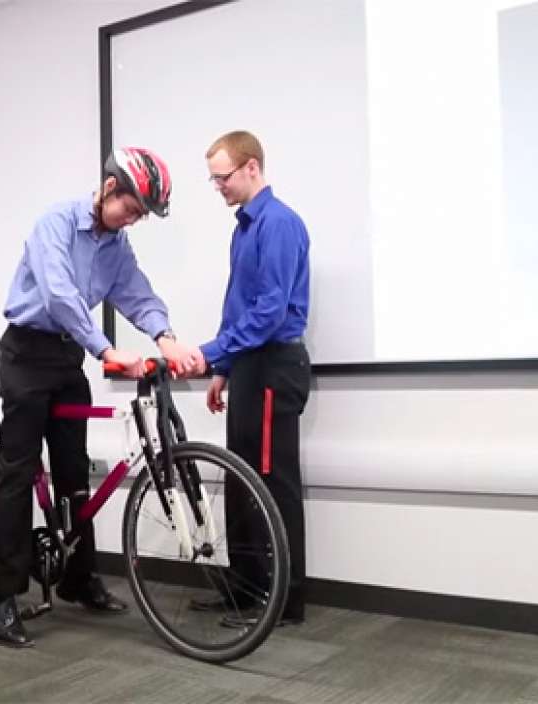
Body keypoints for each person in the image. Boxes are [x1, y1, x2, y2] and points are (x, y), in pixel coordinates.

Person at [0, 147, 197, 648]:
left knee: (75, 471)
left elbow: (136, 292)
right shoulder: (54, 223)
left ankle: (78, 578)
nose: (132, 220)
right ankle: (0, 601)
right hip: (27, 354)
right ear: (108, 185)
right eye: (131, 207)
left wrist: (166, 337)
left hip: (66, 359)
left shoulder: (116, 245)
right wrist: (104, 349)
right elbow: (59, 296)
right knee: (18, 469)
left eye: (141, 215)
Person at [183, 130, 312, 626]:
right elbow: (239, 305)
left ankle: (281, 602)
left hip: (274, 368)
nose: (218, 187)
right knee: (241, 481)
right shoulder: (244, 227)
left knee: (272, 485)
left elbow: (268, 312)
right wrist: (223, 368)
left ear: (252, 167)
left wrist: (210, 351)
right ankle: (244, 590)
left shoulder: (278, 224)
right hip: (250, 368)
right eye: (213, 180)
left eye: (223, 177)